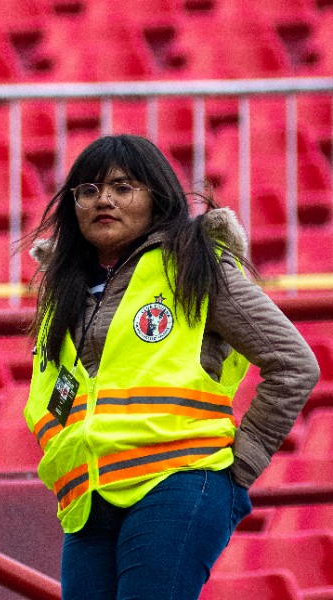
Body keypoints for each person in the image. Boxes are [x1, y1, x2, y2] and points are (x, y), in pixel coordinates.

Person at [22, 134, 319, 599]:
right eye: (89, 189)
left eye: (123, 187)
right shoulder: (63, 291)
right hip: (87, 501)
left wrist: (239, 468)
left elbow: (294, 364)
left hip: (178, 481)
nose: (104, 199)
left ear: (156, 197)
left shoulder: (195, 264)